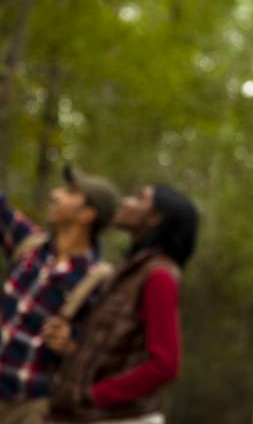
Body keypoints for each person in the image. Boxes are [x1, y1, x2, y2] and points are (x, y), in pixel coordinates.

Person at [42, 185, 199, 424]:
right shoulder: (130, 271)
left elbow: (166, 364)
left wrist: (95, 395)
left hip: (121, 417)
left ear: (155, 218)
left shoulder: (160, 276)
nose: (125, 202)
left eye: (138, 199)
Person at [0, 166, 119, 424]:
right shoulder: (31, 245)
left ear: (87, 214)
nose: (55, 194)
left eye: (70, 192)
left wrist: (72, 345)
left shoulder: (100, 281)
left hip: (31, 408)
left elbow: (103, 353)